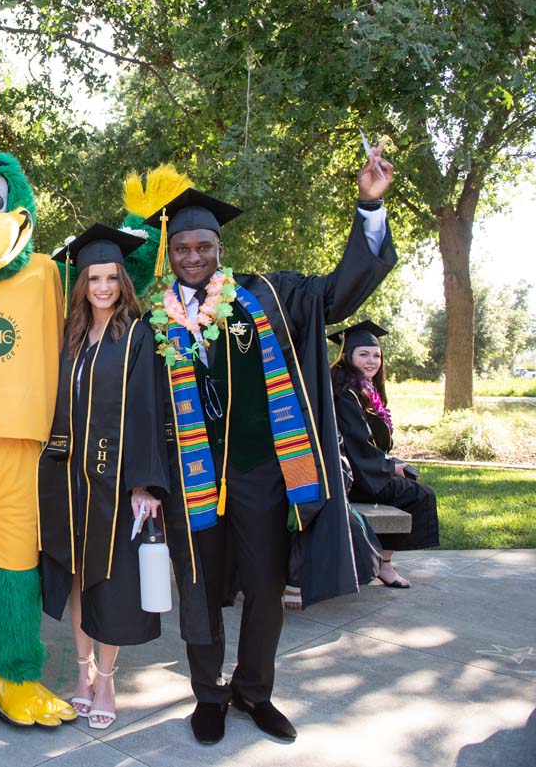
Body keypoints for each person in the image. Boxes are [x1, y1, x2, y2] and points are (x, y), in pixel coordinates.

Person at [143, 146, 397, 745]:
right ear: (170, 253)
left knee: (264, 588)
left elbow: (338, 293)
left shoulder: (269, 297)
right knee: (199, 591)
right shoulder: (150, 318)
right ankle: (207, 695)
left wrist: (369, 206)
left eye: (203, 246)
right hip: (189, 477)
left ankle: (253, 691)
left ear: (219, 250)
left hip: (261, 474)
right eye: (182, 248)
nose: (193, 257)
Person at [37, 224, 171, 730]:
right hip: (69, 478)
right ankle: (82, 674)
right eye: (94, 277)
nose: (102, 287)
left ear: (123, 282)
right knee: (76, 577)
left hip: (115, 480)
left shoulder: (136, 335)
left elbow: (144, 409)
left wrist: (143, 484)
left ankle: (108, 680)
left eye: (111, 277)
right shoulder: (72, 337)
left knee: (109, 580)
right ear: (82, 283)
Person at [329, 320, 440, 587]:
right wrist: (392, 467)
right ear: (346, 356)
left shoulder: (364, 389)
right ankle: (384, 564)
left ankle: (380, 559)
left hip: (365, 470)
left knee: (410, 488)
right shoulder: (346, 394)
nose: (371, 361)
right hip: (354, 477)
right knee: (420, 496)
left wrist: (391, 463)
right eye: (363, 354)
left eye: (376, 355)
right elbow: (357, 447)